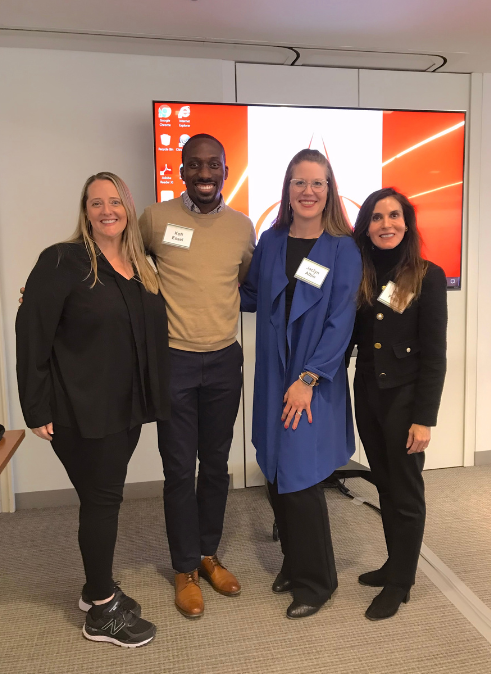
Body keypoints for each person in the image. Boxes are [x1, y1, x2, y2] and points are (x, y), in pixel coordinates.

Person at [16, 172, 171, 647]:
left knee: (100, 498)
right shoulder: (63, 260)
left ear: (128, 208)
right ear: (85, 211)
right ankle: (101, 611)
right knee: (104, 503)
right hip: (80, 408)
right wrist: (34, 406)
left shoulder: (138, 262)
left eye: (115, 201)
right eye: (96, 202)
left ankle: (93, 589)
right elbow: (31, 332)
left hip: (125, 407)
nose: (107, 210)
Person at [240, 149, 362, 619]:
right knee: (274, 469)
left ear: (329, 191)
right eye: (299, 183)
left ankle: (317, 582)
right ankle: (294, 563)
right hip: (274, 376)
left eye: (317, 183)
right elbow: (250, 294)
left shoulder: (342, 247)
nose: (307, 192)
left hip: (313, 379)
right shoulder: (271, 242)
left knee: (302, 477)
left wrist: (309, 378)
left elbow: (340, 320)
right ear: (287, 190)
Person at [139, 134, 256, 618]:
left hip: (225, 360)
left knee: (216, 466)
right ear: (181, 170)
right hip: (175, 362)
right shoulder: (155, 219)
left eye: (214, 165)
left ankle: (208, 554)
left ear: (225, 171)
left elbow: (242, 279)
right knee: (177, 470)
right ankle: (183, 567)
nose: (204, 173)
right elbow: (122, 260)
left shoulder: (243, 227)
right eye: (195, 165)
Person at [350, 187, 447, 621]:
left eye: (394, 216)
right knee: (385, 485)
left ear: (406, 223)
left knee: (405, 491)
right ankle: (395, 563)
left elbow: (435, 355)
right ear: (366, 226)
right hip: (367, 394)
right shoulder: (361, 272)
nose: (385, 224)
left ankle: (401, 583)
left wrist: (424, 419)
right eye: (376, 217)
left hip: (405, 401)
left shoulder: (427, 275)